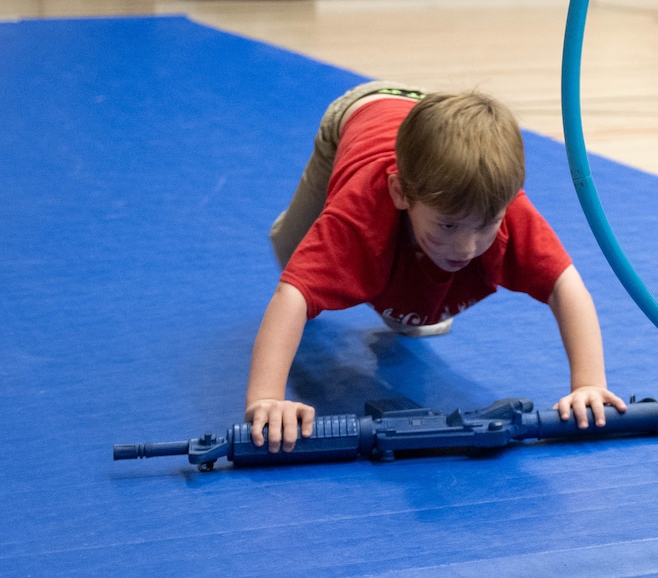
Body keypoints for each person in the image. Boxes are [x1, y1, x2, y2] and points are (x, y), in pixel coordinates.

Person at [251, 85, 624, 454]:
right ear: (400, 193)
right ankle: (315, 237)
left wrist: (588, 384)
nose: (467, 248)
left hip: (432, 129)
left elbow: (566, 286)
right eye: (448, 226)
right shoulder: (358, 215)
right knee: (295, 255)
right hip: (360, 114)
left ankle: (413, 265)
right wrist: (267, 398)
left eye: (485, 226)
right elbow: (292, 295)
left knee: (416, 310)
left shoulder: (497, 205)